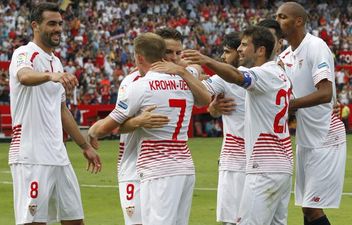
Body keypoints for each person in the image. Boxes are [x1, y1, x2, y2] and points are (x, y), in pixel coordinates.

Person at [88, 32, 210, 225]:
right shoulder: (184, 80)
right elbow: (201, 85)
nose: (175, 58)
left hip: (156, 166)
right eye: (170, 52)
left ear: (139, 57)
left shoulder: (140, 86)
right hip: (180, 164)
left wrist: (93, 131)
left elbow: (109, 126)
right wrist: (138, 122)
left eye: (178, 53)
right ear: (162, 54)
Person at [183, 25, 293, 225]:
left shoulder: (261, 73)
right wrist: (212, 107)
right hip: (281, 162)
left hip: (263, 164)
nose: (240, 50)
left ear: (260, 50)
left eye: (244, 45)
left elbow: (237, 77)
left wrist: (203, 62)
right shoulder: (281, 72)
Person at [8, 2, 101, 225]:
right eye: (51, 24)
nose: (58, 28)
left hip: (58, 155)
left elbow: (61, 110)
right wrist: (51, 77)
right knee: (34, 222)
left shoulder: (56, 62)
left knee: (74, 220)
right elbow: (24, 76)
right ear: (35, 26)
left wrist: (85, 146)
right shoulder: (24, 53)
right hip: (31, 155)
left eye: (60, 24)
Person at [276, 2, 346, 225]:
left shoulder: (316, 46)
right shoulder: (285, 56)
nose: (278, 21)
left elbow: (325, 93)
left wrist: (289, 105)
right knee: (307, 209)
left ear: (298, 21)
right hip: (306, 137)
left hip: (326, 135)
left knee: (312, 208)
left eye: (283, 17)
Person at [201, 32, 246, 225]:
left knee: (233, 220)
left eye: (227, 52)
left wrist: (185, 71)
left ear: (242, 52)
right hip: (263, 158)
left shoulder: (225, 78)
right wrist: (212, 109)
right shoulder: (269, 74)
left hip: (238, 161)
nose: (223, 57)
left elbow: (196, 92)